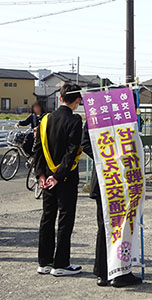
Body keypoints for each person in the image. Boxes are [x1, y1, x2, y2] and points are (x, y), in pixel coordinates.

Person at [82, 123, 143, 287]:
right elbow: (85, 142)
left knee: (123, 227)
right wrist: (106, 159)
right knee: (106, 228)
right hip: (107, 181)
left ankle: (119, 272)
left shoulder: (123, 114)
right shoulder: (97, 115)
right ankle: (104, 272)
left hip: (125, 182)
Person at [34, 83, 83, 276]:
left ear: (61, 98)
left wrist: (42, 175)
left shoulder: (46, 120)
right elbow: (71, 152)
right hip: (66, 178)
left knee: (47, 217)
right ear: (77, 100)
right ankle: (61, 264)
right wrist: (58, 175)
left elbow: (37, 149)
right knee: (65, 219)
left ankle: (44, 262)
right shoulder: (75, 120)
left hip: (46, 178)